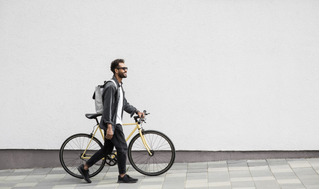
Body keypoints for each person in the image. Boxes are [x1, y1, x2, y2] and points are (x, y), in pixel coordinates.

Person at [78, 59, 144, 183]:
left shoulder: (119, 86)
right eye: (123, 68)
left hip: (114, 122)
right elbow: (107, 107)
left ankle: (84, 167)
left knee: (107, 150)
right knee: (122, 148)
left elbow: (124, 104)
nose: (126, 70)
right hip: (113, 123)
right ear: (116, 70)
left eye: (126, 68)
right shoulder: (111, 86)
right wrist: (109, 126)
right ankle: (122, 176)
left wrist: (136, 111)